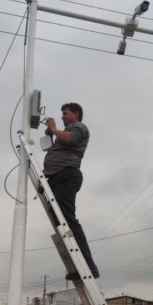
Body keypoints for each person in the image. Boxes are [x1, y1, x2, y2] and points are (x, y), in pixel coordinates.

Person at [43, 102, 99, 280]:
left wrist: (54, 129)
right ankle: (77, 266)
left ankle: (89, 267)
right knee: (61, 222)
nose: (62, 117)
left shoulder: (79, 127)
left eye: (65, 113)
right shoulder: (66, 130)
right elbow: (59, 146)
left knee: (68, 219)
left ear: (76, 113)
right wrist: (51, 135)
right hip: (57, 176)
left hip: (66, 175)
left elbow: (70, 140)